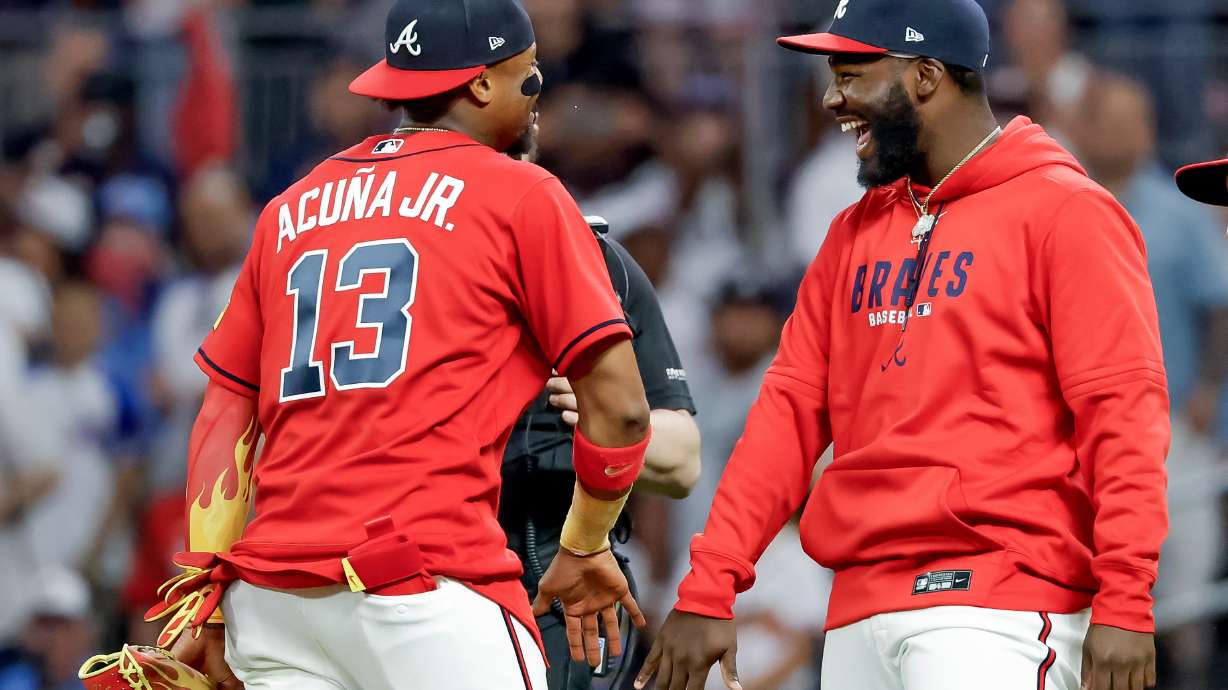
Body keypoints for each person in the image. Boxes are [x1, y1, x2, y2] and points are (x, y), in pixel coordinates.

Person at [635, 1, 1169, 689]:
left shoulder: (1065, 211)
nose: (832, 99)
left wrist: (1126, 600)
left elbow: (1124, 415)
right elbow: (786, 419)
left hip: (997, 606)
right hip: (859, 607)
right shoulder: (853, 232)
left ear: (924, 76)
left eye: (853, 74)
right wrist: (710, 585)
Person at [148, 0, 654, 688]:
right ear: (480, 84)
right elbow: (623, 411)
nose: (538, 99)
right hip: (423, 591)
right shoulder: (520, 192)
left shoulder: (288, 208)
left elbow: (224, 422)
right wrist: (586, 543)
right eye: (528, 79)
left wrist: (207, 605)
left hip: (274, 609)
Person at [1070, 75, 1228, 690]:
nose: (1126, 133)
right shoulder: (1060, 200)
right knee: (1088, 592)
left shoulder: (1178, 208)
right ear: (1084, 126)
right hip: (1080, 435)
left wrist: (1208, 393)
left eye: (1137, 119)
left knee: (1185, 585)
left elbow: (1218, 306)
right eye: (1111, 118)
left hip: (1170, 424)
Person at [501, 217, 700, 690]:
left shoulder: (593, 253)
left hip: (559, 586)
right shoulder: (431, 253)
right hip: (441, 575)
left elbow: (684, 460)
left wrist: (606, 422)